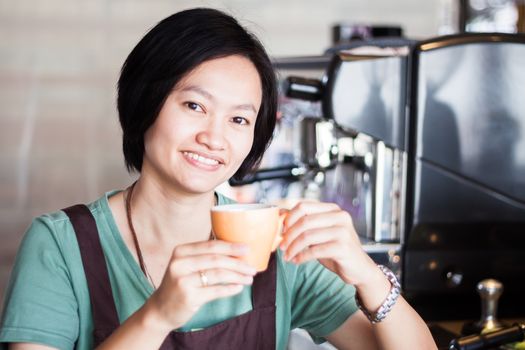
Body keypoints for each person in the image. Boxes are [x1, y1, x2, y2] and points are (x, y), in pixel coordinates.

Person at [0, 8, 437, 350]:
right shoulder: (60, 244)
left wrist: (368, 276)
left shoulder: (276, 248)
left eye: (239, 119)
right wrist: (159, 314)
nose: (214, 138)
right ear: (145, 100)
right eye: (194, 106)